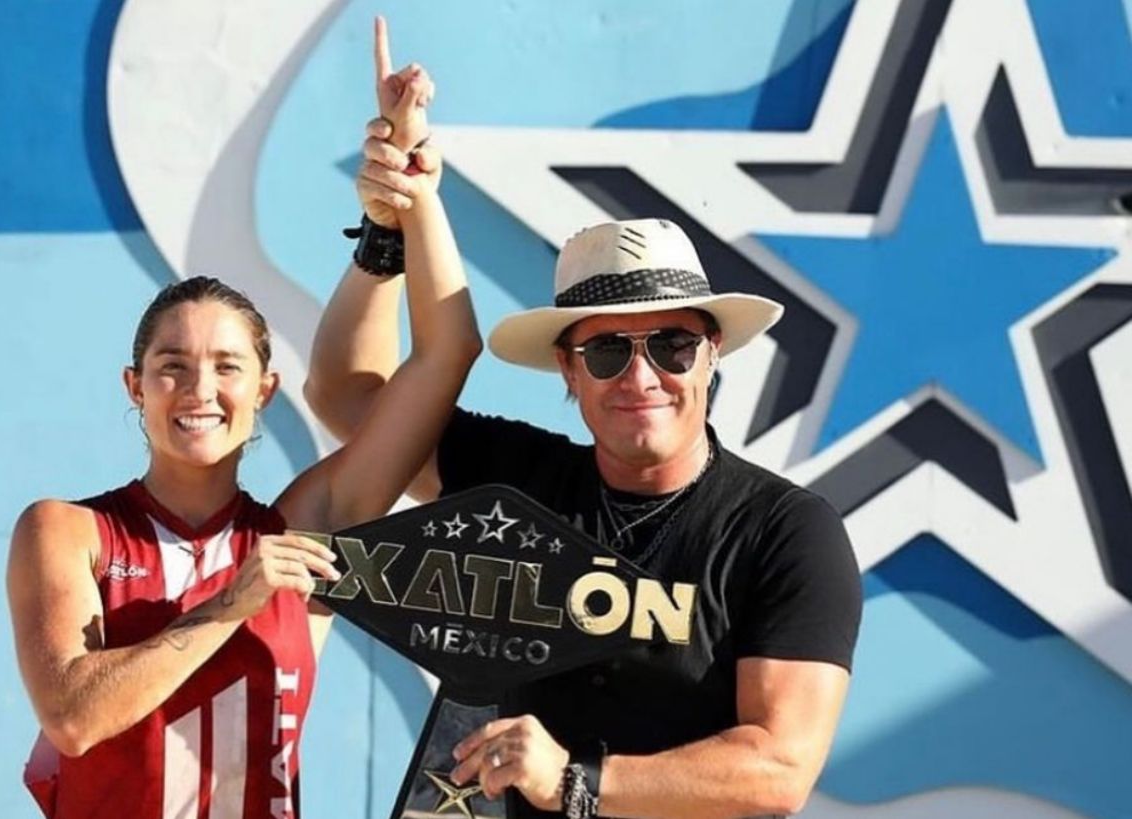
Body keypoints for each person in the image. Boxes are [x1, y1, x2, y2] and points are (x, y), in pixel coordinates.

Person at [308, 84, 863, 819]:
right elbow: (352, 401)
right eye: (606, 351)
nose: (641, 376)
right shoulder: (516, 485)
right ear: (568, 370)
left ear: (711, 355)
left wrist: (575, 780)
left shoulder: (786, 531)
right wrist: (390, 231)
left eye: (671, 344)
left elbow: (778, 768)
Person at [5, 22, 467, 819]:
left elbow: (443, 357)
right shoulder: (69, 531)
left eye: (227, 367)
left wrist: (403, 207)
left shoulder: (304, 530)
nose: (199, 388)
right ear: (135, 386)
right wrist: (231, 601)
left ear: (265, 391)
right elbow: (73, 716)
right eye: (172, 365)